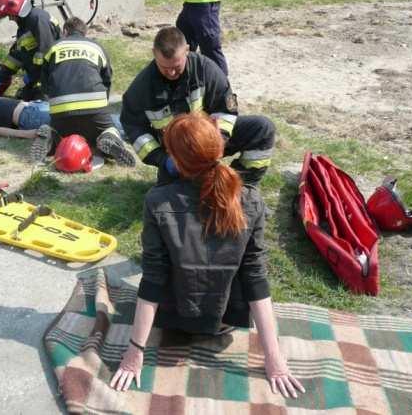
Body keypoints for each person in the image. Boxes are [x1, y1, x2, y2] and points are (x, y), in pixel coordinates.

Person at [109, 113, 305, 399]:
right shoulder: (251, 198)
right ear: (219, 149)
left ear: (175, 159)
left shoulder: (157, 200)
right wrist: (273, 358)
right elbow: (255, 277)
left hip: (173, 318)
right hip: (228, 318)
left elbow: (154, 277)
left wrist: (135, 351)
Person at [121, 26, 274, 186]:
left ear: (187, 50)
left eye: (176, 67)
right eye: (165, 68)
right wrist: (163, 160)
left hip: (210, 139)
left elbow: (226, 110)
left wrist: (218, 141)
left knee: (262, 128)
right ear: (154, 53)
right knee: (172, 198)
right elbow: (134, 128)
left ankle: (242, 186)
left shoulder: (206, 70)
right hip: (176, 156)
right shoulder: (141, 88)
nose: (171, 73)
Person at [31, 17, 135, 167]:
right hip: (94, 106)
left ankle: (51, 137)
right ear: (84, 33)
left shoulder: (53, 47)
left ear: (65, 31)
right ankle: (108, 138)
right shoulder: (97, 47)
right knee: (109, 129)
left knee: (62, 136)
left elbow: (44, 83)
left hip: (62, 108)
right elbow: (107, 80)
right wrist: (100, 104)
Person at [0, 0, 61, 101]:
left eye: (10, 15)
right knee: (22, 100)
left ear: (16, 10)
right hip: (39, 77)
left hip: (52, 77)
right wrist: (0, 78)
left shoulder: (38, 19)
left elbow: (47, 53)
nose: (11, 19)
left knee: (35, 108)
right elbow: (16, 56)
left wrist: (35, 77)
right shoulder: (25, 26)